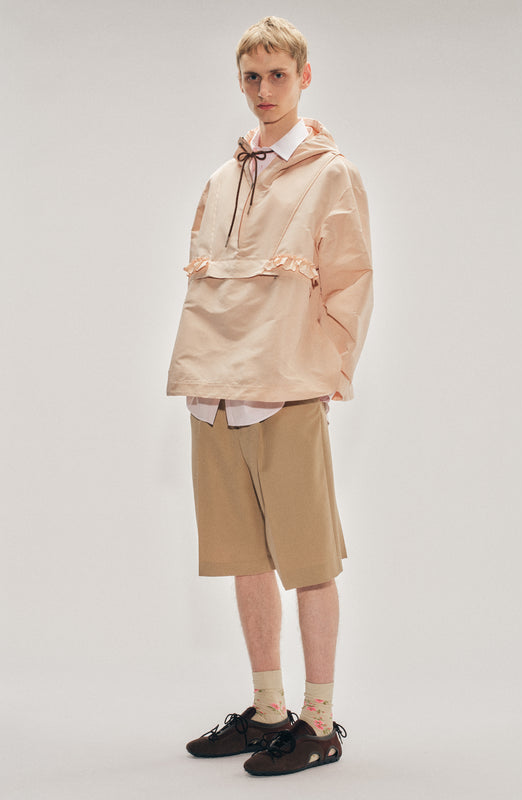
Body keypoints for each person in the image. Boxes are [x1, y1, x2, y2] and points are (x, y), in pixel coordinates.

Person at [166, 16, 373, 776]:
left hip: (285, 390)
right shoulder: (222, 178)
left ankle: (318, 723)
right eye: (251, 77)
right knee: (244, 557)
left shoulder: (331, 174)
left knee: (309, 560)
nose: (263, 90)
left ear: (303, 77)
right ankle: (267, 710)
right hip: (212, 391)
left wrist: (326, 374)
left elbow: (350, 282)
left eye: (277, 75)